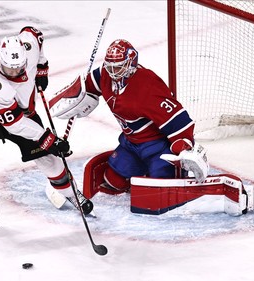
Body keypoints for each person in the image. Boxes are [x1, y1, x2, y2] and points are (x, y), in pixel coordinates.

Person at [0, 26, 93, 235]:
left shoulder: (29, 45)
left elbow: (34, 33)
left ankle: (71, 193)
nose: (14, 73)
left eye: (19, 68)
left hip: (21, 114)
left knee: (50, 161)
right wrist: (48, 139)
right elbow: (14, 124)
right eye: (9, 69)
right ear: (0, 61)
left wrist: (42, 67)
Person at [49, 39, 209, 195]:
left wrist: (184, 146)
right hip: (131, 144)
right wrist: (78, 95)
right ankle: (142, 173)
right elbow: (88, 85)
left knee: (158, 189)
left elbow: (179, 120)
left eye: (118, 67)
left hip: (157, 146)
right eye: (109, 66)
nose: (112, 72)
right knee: (113, 181)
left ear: (131, 63)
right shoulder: (105, 74)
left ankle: (164, 173)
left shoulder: (148, 86)